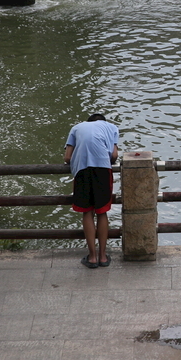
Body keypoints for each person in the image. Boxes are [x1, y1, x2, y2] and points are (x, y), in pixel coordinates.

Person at [64, 113, 119, 268]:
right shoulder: (111, 127)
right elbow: (114, 155)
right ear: (103, 122)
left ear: (87, 122)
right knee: (102, 212)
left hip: (81, 169)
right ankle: (102, 257)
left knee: (87, 212)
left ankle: (92, 257)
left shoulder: (76, 127)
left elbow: (67, 157)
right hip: (102, 169)